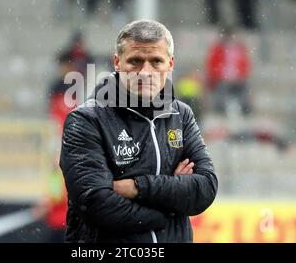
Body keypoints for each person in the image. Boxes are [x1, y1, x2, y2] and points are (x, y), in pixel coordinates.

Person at [59, 20, 217, 243]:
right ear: (117, 62)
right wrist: (170, 208)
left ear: (170, 64)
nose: (145, 72)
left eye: (156, 61)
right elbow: (95, 203)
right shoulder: (86, 120)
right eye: (135, 61)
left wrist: (137, 187)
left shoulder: (181, 115)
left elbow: (205, 188)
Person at [206, 26, 252, 116]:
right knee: (221, 87)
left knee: (245, 86)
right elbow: (212, 66)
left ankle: (245, 108)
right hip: (222, 79)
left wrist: (239, 76)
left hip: (238, 79)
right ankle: (220, 108)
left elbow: (246, 65)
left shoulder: (240, 49)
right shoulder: (217, 49)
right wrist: (221, 75)